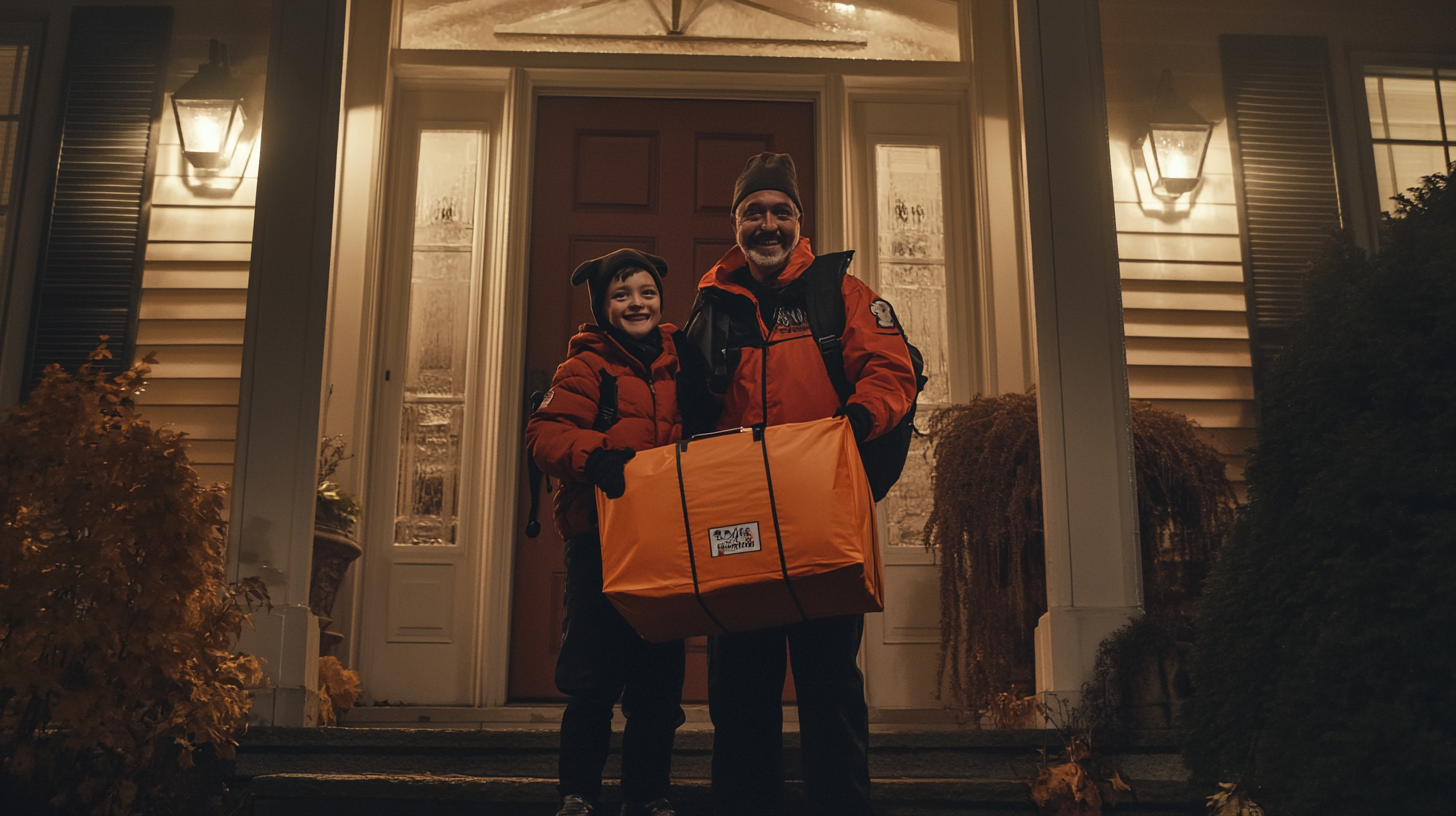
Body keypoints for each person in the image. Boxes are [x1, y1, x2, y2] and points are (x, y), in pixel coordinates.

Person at [680, 153, 919, 816]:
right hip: (740, 527)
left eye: (780, 211)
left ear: (798, 221)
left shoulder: (842, 294)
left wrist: (858, 419)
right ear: (736, 224)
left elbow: (893, 373)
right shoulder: (710, 306)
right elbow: (684, 407)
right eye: (753, 212)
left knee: (828, 687)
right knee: (739, 692)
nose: (767, 224)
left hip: (822, 517)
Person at [526, 249, 687, 816]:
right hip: (601, 538)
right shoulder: (584, 368)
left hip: (667, 541)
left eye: (646, 292)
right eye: (622, 295)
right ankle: (579, 792)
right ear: (602, 307)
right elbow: (544, 435)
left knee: (659, 683)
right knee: (592, 678)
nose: (636, 303)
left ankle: (648, 793)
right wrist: (594, 456)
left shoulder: (680, 364)